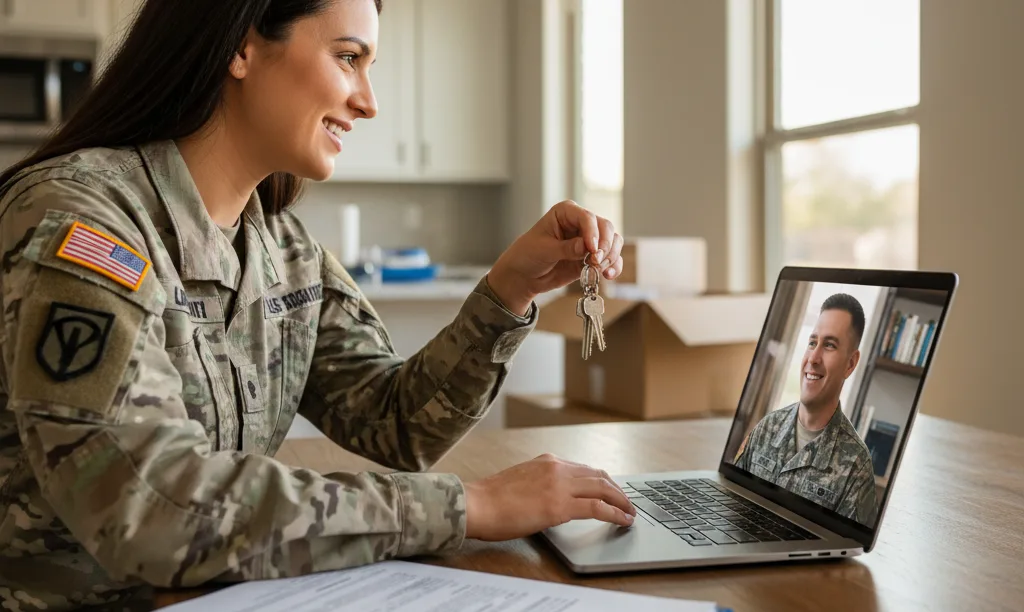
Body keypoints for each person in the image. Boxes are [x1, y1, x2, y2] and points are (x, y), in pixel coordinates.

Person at [0, 1, 636, 610]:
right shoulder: (84, 222)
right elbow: (148, 509)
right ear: (242, 47)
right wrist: (470, 506)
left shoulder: (284, 248)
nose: (368, 101)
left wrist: (508, 290)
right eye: (348, 57)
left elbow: (395, 423)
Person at [735, 293, 879, 528]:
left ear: (850, 364)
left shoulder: (856, 467)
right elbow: (731, 506)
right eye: (812, 343)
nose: (813, 358)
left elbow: (849, 549)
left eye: (829, 345)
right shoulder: (766, 428)